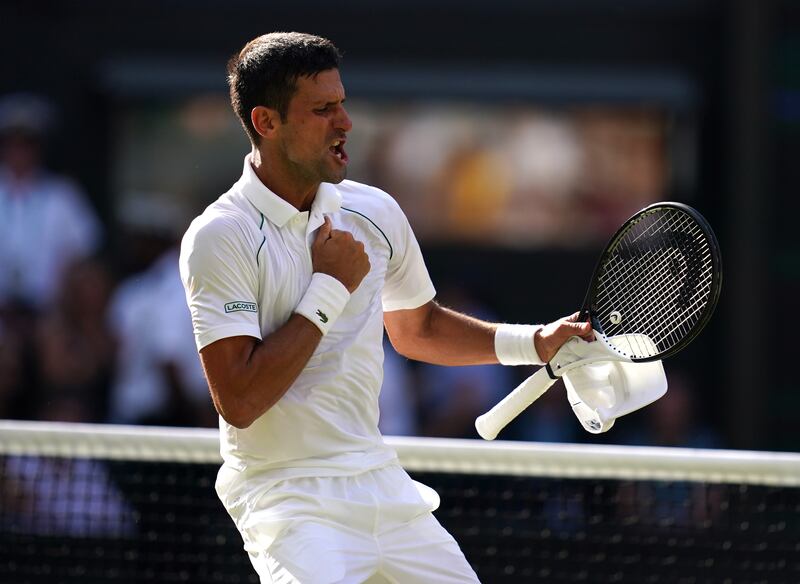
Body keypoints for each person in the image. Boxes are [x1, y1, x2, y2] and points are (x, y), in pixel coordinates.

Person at [179, 32, 592, 584]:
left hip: (380, 480)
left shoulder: (376, 211)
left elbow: (416, 328)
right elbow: (241, 399)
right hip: (286, 494)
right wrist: (329, 289)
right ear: (266, 121)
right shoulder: (219, 235)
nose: (345, 122)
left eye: (342, 103)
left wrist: (534, 343)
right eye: (323, 109)